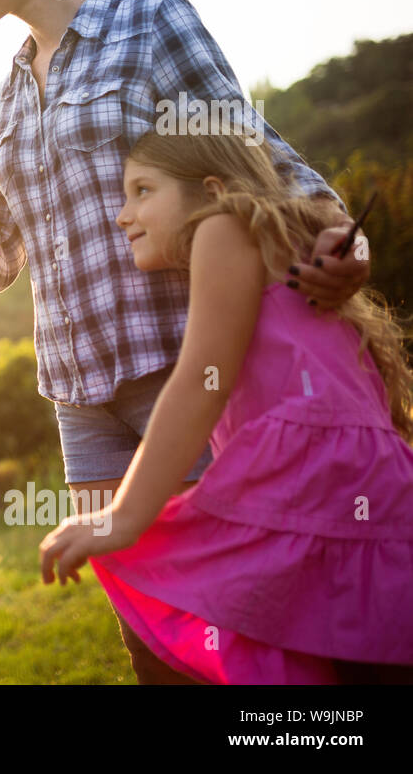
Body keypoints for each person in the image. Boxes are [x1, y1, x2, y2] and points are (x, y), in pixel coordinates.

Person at [0, 0, 371, 682]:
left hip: (189, 370)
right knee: (155, 643)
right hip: (83, 403)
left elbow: (254, 153)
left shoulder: (149, 26)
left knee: (239, 624)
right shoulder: (6, 97)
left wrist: (344, 239)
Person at [38, 128, 413, 684]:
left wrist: (122, 517)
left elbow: (199, 383)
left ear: (210, 188)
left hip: (309, 488)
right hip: (372, 492)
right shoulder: (281, 246)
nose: (123, 214)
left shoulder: (221, 226)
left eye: (143, 190)